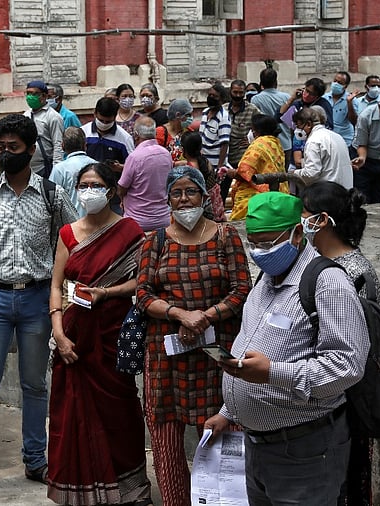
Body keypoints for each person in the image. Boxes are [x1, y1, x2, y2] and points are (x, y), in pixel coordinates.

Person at [204, 191, 369, 506]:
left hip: (304, 449)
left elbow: (347, 366)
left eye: (268, 243)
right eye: (254, 242)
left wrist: (272, 372)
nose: (259, 252)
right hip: (256, 447)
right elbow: (256, 342)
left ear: (297, 233)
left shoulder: (328, 283)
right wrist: (229, 412)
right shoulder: (266, 278)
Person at [0, 114, 77, 503]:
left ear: (31, 150)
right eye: (0, 146)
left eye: (13, 147)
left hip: (39, 300)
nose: (5, 153)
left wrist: (65, 295)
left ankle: (35, 461)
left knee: (34, 385)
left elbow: (74, 242)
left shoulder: (52, 195)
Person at [136, 166, 251, 506]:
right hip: (165, 356)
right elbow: (143, 295)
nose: (184, 199)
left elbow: (242, 288)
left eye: (191, 192)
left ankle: (221, 499)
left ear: (203, 196)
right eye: (176, 193)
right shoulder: (154, 241)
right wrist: (180, 314)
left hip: (216, 353)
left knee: (221, 429)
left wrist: (207, 316)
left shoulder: (226, 236)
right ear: (167, 198)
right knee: (166, 436)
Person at [47, 162, 152, 506]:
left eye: (95, 184)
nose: (88, 191)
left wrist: (107, 292)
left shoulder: (130, 231)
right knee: (71, 417)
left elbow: (143, 280)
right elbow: (57, 285)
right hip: (74, 337)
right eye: (83, 184)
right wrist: (59, 333)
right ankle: (82, 492)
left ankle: (131, 491)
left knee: (120, 414)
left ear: (110, 191)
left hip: (112, 336)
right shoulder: (68, 234)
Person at [300, 181, 380, 505]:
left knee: (345, 484)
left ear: (321, 220)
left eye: (303, 213)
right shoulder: (315, 261)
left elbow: (348, 347)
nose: (299, 221)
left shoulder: (353, 274)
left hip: (346, 401)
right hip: (321, 398)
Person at [225, 114, 287, 221]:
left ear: (256, 131)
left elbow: (243, 173)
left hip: (259, 196)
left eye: (251, 129)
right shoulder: (275, 143)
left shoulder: (257, 145)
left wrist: (229, 172)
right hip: (279, 193)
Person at [118, 116, 172, 230]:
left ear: (136, 135)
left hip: (137, 222)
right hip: (163, 218)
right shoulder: (166, 154)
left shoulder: (134, 157)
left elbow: (122, 188)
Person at [288, 107, 353, 190]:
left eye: (298, 126)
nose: (297, 130)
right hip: (344, 189)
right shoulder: (336, 136)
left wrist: (294, 173)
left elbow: (311, 173)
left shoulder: (313, 141)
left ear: (308, 124)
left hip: (328, 192)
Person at [49, 126, 97, 217]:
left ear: (62, 146)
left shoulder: (59, 169)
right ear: (85, 145)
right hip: (95, 222)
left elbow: (51, 199)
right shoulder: (97, 166)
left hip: (69, 224)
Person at [226, 80, 260, 202]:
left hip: (244, 155)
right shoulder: (224, 109)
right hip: (226, 155)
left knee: (245, 189)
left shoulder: (252, 109)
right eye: (235, 92)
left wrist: (252, 140)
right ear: (230, 92)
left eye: (241, 93)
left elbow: (263, 126)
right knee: (223, 189)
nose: (238, 95)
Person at [24, 79, 64, 177]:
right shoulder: (26, 115)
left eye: (34, 94)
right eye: (28, 93)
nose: (30, 97)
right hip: (28, 168)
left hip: (45, 168)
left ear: (44, 96)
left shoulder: (53, 117)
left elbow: (58, 144)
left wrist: (56, 171)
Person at [82, 97, 134, 172]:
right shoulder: (83, 133)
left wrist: (120, 168)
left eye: (108, 122)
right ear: (95, 114)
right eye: (101, 120)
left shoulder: (125, 139)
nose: (104, 124)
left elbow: (132, 167)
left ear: (115, 117)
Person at [181, 131, 225, 222]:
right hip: (216, 207)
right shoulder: (205, 161)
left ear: (183, 149)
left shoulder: (191, 169)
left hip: (204, 212)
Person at [250, 68, 293, 157]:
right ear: (275, 82)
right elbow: (291, 123)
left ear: (261, 83)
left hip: (264, 145)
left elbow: (255, 122)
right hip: (285, 144)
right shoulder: (287, 98)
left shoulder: (256, 99)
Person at [199, 82, 231, 170]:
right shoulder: (205, 112)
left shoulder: (223, 117)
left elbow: (224, 144)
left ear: (221, 99)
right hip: (204, 163)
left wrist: (219, 167)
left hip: (215, 165)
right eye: (210, 95)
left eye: (215, 96)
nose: (211, 98)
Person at [156, 98, 193, 163]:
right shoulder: (160, 132)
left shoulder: (190, 132)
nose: (191, 118)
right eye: (188, 115)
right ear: (178, 115)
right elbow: (156, 158)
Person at [329, 71, 356, 148]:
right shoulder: (325, 98)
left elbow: (354, 121)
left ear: (345, 86)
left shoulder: (352, 100)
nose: (336, 84)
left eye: (340, 83)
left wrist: (349, 103)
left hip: (344, 141)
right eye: (335, 81)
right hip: (328, 141)